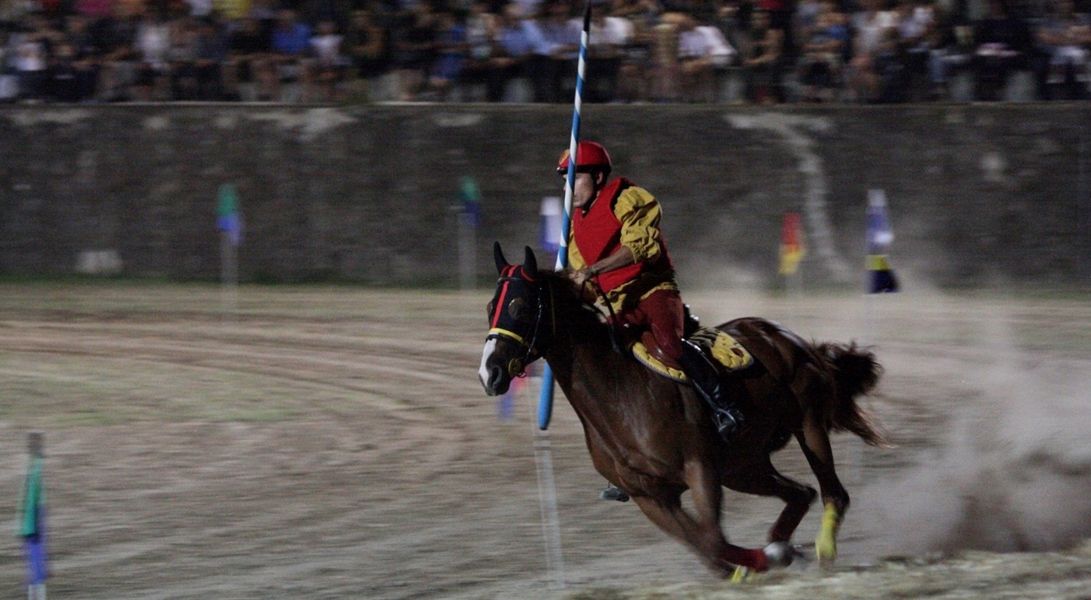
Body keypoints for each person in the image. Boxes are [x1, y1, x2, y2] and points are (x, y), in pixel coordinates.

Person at [556, 141, 745, 500]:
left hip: (652, 290)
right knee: (607, 363)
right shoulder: (574, 226)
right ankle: (627, 459)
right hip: (619, 303)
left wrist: (593, 270)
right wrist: (569, 290)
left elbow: (642, 247)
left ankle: (724, 406)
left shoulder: (628, 199)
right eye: (564, 179)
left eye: (575, 177)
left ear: (598, 177)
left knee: (670, 345)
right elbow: (585, 281)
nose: (568, 187)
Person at [18, 432, 48, 600]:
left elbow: (31, 499)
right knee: (36, 561)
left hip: (33, 519)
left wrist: (29, 526)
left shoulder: (35, 468)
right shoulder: (35, 465)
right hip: (35, 518)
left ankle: (36, 594)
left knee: (35, 563)